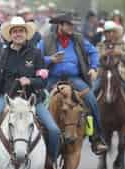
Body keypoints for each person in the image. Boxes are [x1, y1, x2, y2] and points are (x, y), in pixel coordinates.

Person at [0, 17, 60, 169]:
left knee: (53, 130)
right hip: (6, 98)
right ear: (10, 35)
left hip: (32, 100)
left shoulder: (36, 53)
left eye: (21, 31)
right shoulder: (3, 54)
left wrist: (31, 81)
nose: (18, 34)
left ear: (26, 34)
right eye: (15, 31)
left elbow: (43, 80)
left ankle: (50, 166)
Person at [38, 13, 107, 155]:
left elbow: (94, 52)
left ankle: (96, 138)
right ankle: (37, 135)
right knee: (38, 101)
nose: (71, 27)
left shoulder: (78, 39)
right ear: (60, 25)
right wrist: (50, 59)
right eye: (68, 24)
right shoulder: (46, 40)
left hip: (74, 78)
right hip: (52, 78)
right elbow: (35, 57)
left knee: (92, 101)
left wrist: (94, 68)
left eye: (72, 25)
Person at [92, 21, 125, 122]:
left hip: (121, 76)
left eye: (112, 32)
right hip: (103, 76)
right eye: (108, 32)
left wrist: (121, 54)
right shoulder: (100, 46)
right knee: (91, 94)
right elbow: (93, 61)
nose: (110, 34)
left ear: (116, 32)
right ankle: (94, 122)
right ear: (104, 34)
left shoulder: (124, 45)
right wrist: (102, 55)